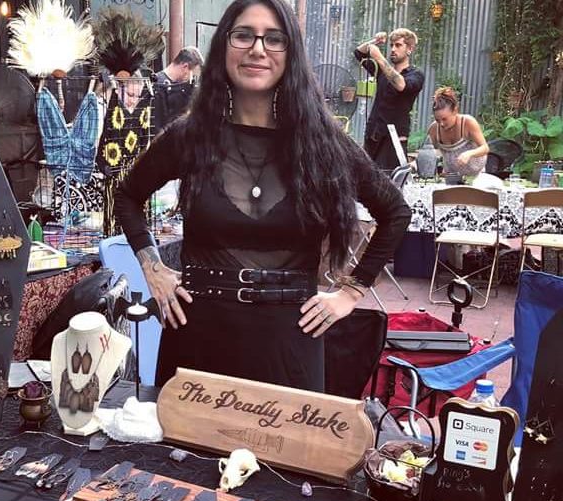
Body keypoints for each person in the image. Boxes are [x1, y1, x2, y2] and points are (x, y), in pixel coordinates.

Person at [115, 0, 411, 392]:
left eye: (274, 39)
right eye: (243, 35)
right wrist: (154, 270)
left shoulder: (323, 143)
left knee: (284, 436)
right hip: (197, 340)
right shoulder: (190, 137)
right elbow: (127, 196)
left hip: (289, 344)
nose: (258, 49)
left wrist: (350, 293)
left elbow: (395, 212)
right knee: (186, 436)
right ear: (224, 47)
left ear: (291, 53)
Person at [354, 28, 425, 172]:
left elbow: (401, 85)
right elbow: (358, 53)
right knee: (366, 178)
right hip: (373, 135)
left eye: (398, 45)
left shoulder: (416, 75)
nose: (393, 49)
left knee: (390, 180)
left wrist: (379, 58)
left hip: (394, 139)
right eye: (392, 45)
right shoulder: (381, 72)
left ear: (410, 49)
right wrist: (375, 41)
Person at [427, 86, 489, 177]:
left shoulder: (468, 122)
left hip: (476, 176)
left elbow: (485, 148)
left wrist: (469, 153)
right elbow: (427, 151)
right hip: (451, 175)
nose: (441, 124)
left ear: (455, 111)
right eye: (437, 120)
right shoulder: (434, 129)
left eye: (444, 119)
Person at [152, 46, 204, 128]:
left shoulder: (186, 88)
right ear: (185, 67)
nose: (191, 80)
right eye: (193, 75)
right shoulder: (156, 85)